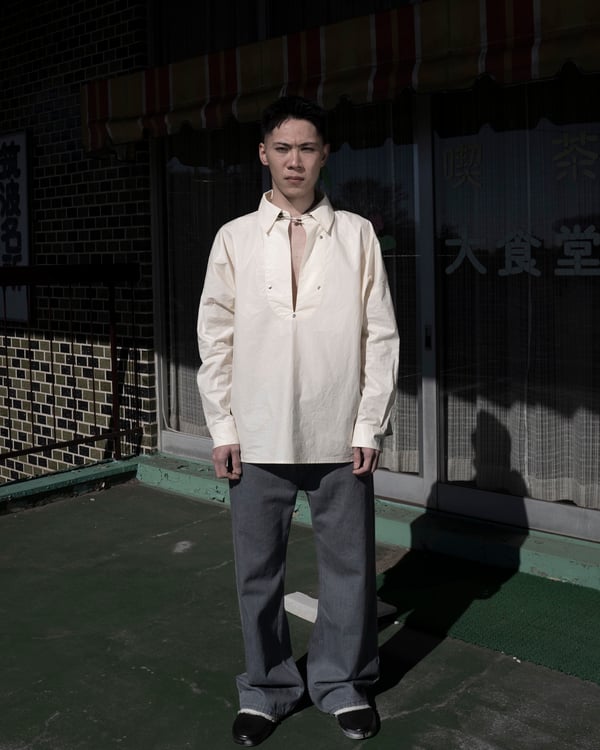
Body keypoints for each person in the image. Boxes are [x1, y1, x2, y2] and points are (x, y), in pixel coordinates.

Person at [197, 95, 399, 746]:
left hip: (339, 432)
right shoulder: (234, 239)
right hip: (256, 434)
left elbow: (380, 337)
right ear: (263, 154)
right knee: (257, 573)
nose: (294, 161)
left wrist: (368, 425)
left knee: (350, 569)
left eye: (307, 148)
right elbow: (215, 339)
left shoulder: (357, 235)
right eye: (282, 148)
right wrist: (223, 427)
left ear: (325, 155)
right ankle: (268, 688)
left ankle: (342, 683)